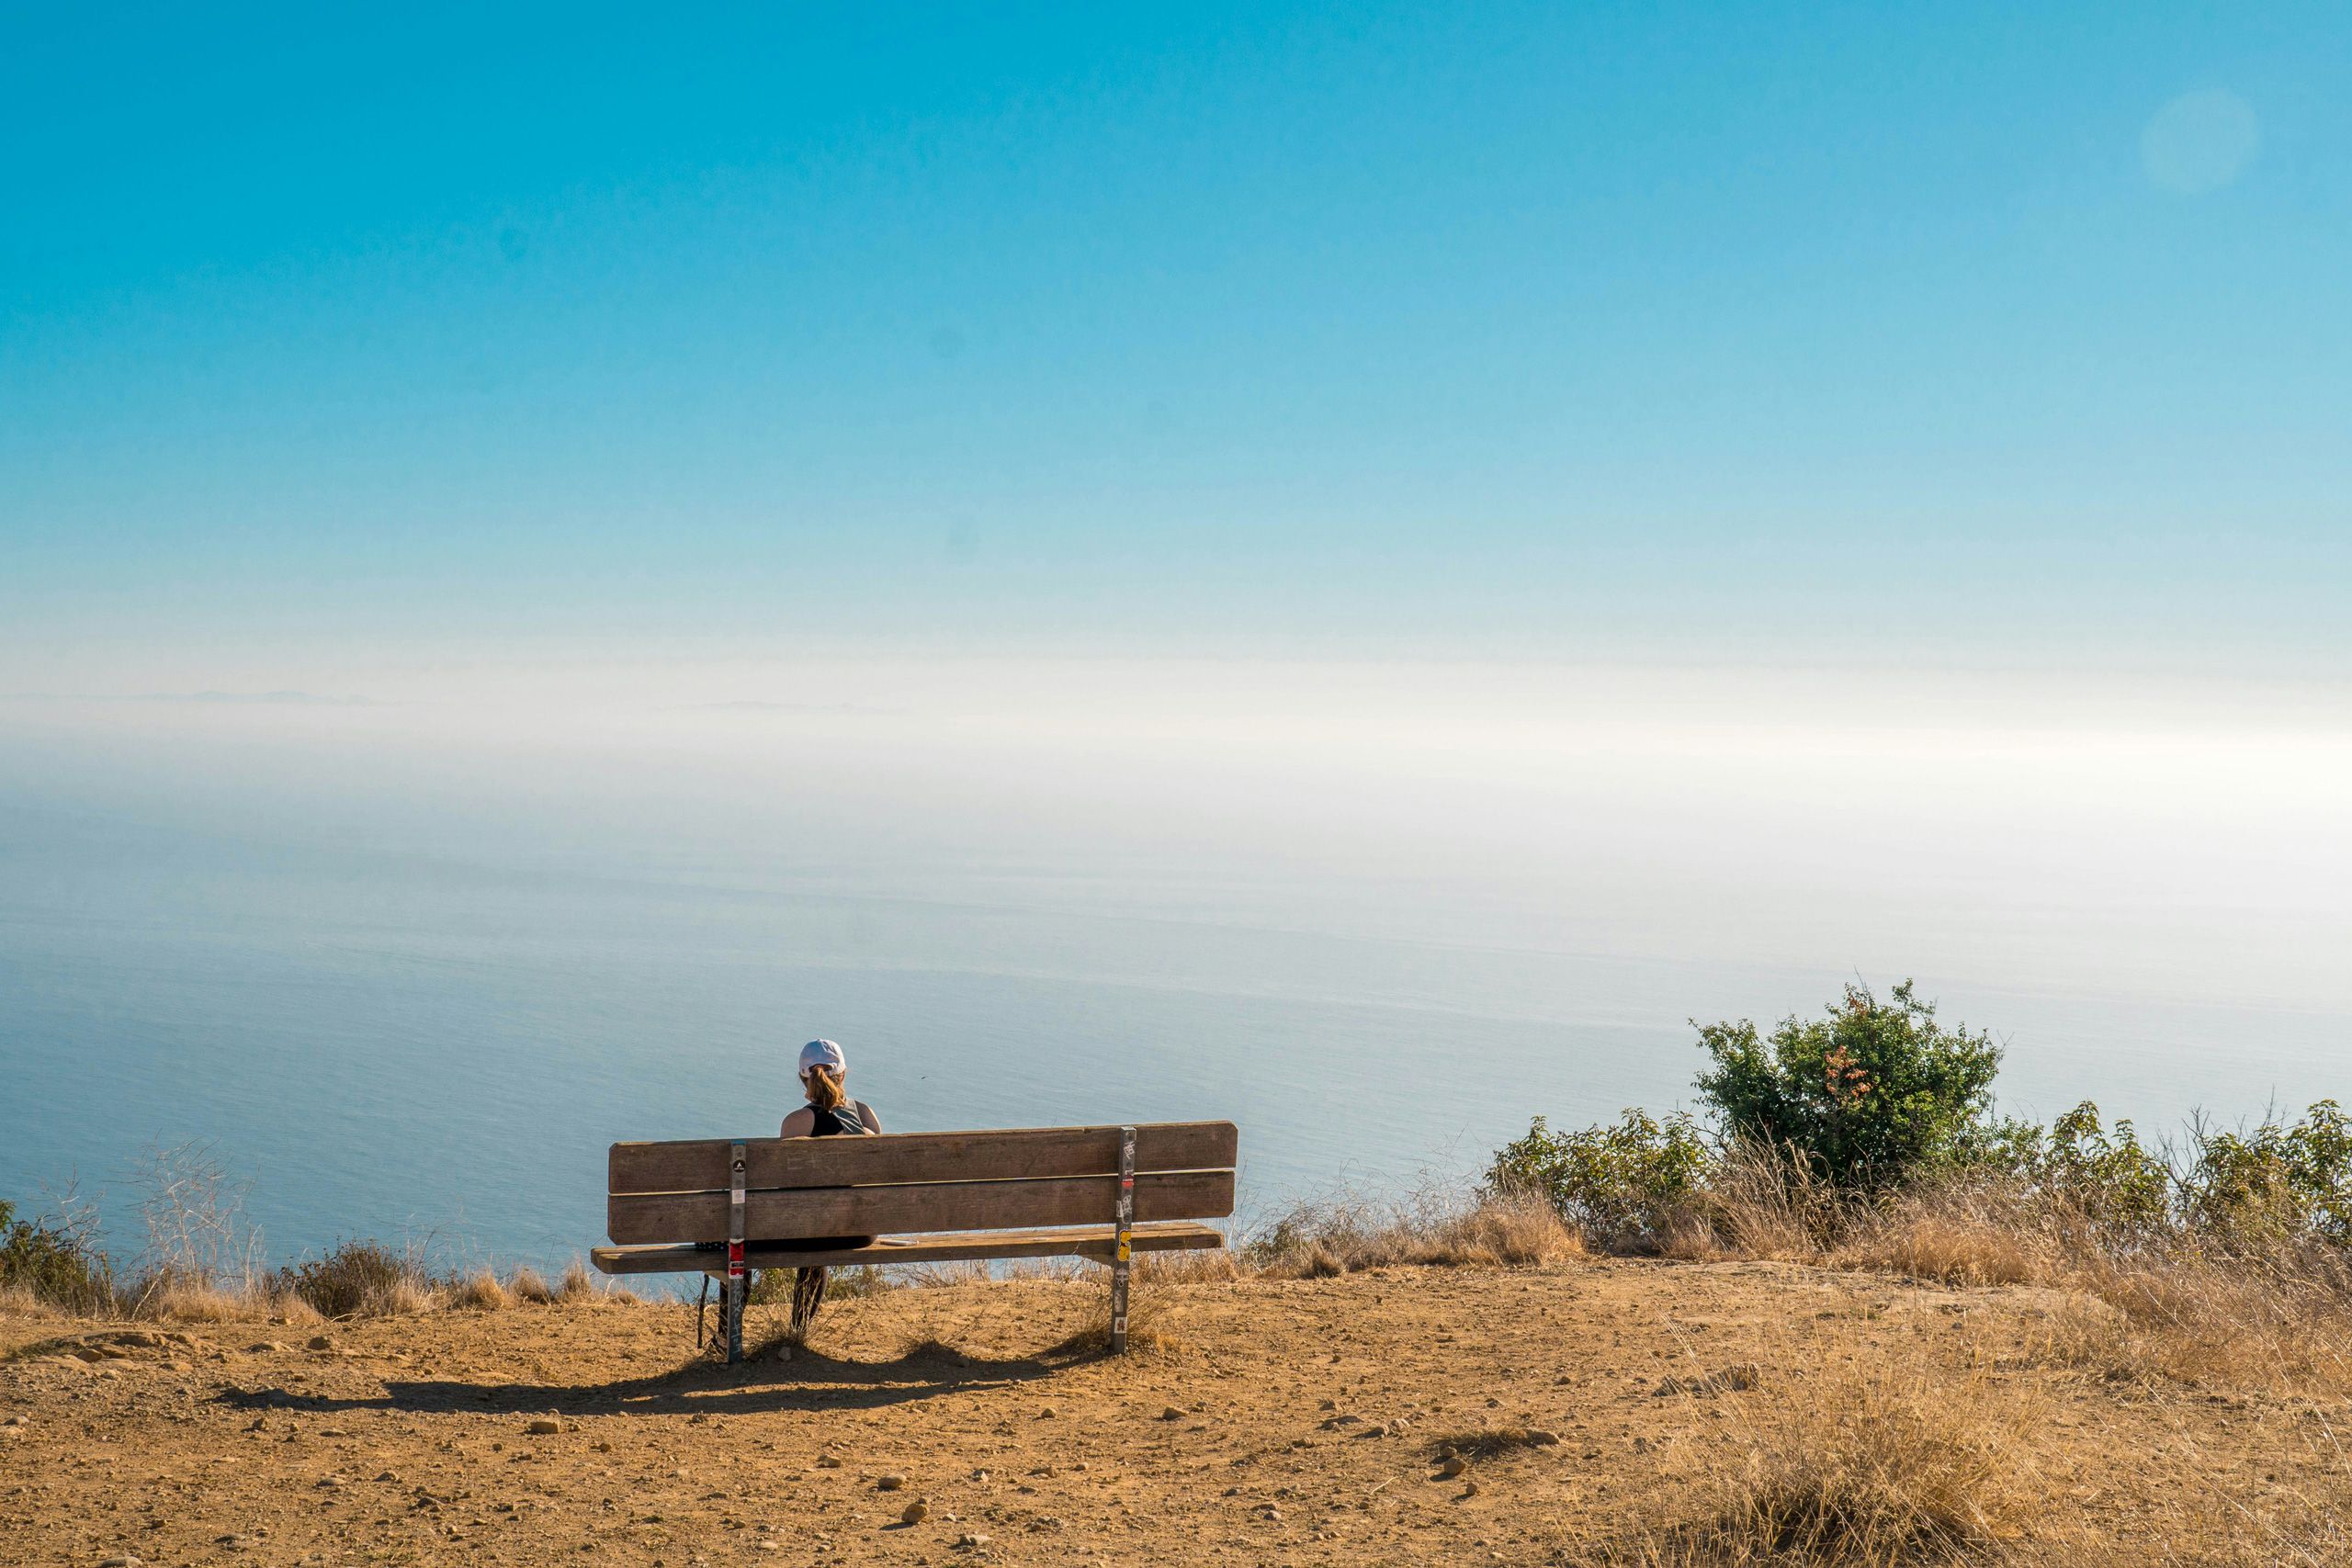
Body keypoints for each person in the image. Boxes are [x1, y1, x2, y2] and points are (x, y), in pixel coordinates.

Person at [776, 1038, 880, 1335]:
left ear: (802, 1078)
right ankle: (800, 1330)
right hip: (860, 1232)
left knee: (738, 1241)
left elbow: (784, 1187)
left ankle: (726, 1336)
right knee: (820, 1223)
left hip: (814, 1231)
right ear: (843, 1075)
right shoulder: (866, 1116)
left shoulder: (797, 1123)